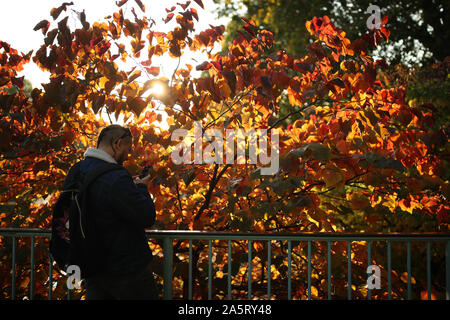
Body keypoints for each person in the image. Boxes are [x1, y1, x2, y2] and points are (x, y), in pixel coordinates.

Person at [65, 124, 159, 300]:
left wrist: (128, 187)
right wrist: (141, 189)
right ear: (118, 143)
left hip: (91, 266)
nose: (127, 155)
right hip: (126, 270)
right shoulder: (116, 176)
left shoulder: (76, 171)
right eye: (127, 149)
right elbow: (146, 216)